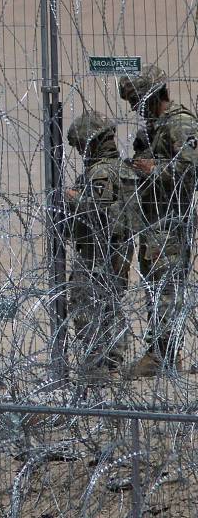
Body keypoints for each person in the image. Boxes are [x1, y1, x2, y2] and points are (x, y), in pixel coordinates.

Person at [118, 64, 198, 376]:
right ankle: (160, 352)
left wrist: (155, 170)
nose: (136, 109)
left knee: (165, 290)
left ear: (154, 96)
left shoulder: (179, 124)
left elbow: (191, 172)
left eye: (139, 101)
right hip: (152, 223)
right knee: (155, 289)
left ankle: (163, 355)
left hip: (171, 224)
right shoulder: (153, 127)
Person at [64, 110, 136, 378]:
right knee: (110, 303)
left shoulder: (101, 172)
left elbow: (98, 206)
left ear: (92, 142)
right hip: (119, 247)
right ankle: (112, 360)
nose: (81, 152)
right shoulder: (122, 168)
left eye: (82, 145)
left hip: (98, 249)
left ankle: (96, 364)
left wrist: (72, 198)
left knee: (85, 303)